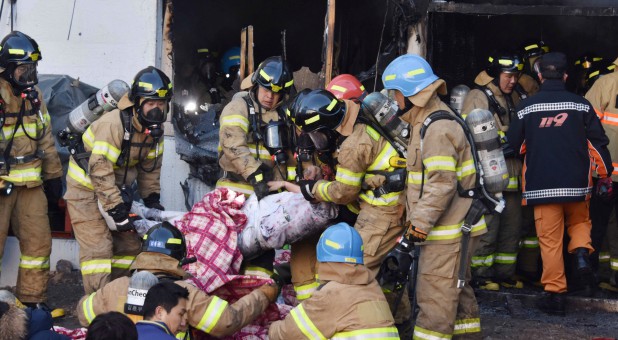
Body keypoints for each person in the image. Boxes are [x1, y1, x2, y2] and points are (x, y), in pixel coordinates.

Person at [288, 88, 409, 332]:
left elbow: (344, 192)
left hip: (382, 211)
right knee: (381, 270)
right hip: (382, 205)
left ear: (327, 127)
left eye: (315, 135)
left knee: (351, 269)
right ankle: (399, 320)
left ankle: (340, 325)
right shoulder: (351, 110)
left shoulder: (354, 143)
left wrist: (312, 189)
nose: (315, 141)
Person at [383, 54, 486, 339]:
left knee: (434, 299)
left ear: (407, 94)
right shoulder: (425, 121)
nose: (392, 101)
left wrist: (416, 229)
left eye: (394, 94)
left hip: (449, 232)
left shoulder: (438, 128)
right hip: (454, 229)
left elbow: (441, 185)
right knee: (456, 289)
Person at [507, 52, 613, 315]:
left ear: (540, 76)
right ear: (566, 76)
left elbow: (514, 146)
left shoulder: (526, 107)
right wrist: (604, 173)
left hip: (542, 187)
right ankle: (579, 252)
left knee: (550, 241)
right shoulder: (580, 106)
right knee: (579, 223)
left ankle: (555, 295)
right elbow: (597, 144)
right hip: (577, 185)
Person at [64, 66, 170, 294]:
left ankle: (119, 298)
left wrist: (152, 200)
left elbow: (150, 170)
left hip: (115, 190)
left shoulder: (154, 132)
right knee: (98, 250)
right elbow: (100, 170)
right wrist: (117, 210)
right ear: (137, 102)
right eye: (151, 103)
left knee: (130, 246)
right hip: (86, 191)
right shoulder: (113, 124)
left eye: (161, 104)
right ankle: (97, 308)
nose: (156, 110)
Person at [76, 222, 279, 338]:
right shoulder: (182, 293)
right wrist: (263, 295)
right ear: (180, 257)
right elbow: (227, 321)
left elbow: (84, 314)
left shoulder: (116, 287)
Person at [0, 31, 63, 307]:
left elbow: (45, 138)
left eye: (33, 68)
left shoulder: (34, 96)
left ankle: (31, 302)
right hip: (1, 185)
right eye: (24, 68)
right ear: (7, 69)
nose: (30, 74)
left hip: (31, 187)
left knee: (38, 247)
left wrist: (53, 178)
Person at [462, 52, 528, 290]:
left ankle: (505, 274)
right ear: (495, 73)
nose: (513, 81)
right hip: (489, 176)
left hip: (515, 175)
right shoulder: (477, 97)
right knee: (488, 227)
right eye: (508, 76)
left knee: (512, 228)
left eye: (516, 76)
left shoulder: (518, 95)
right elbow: (471, 134)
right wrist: (507, 139)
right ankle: (480, 274)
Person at [268, 223, 399, 339]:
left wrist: (270, 328)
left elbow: (288, 334)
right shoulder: (373, 288)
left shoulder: (332, 295)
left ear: (322, 256)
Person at [585, 57, 618, 292]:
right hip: (605, 172)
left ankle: (591, 274)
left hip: (604, 173)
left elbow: (584, 123)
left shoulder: (605, 84)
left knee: (597, 224)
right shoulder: (606, 84)